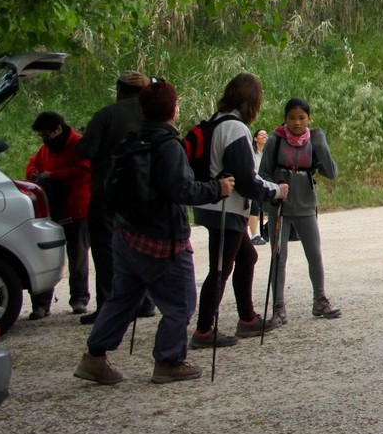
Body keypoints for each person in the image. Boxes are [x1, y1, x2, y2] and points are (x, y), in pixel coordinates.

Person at [74, 81, 233, 386]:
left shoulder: (132, 140)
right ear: (173, 109)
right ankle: (169, 361)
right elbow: (181, 190)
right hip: (163, 238)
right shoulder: (168, 145)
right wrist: (217, 188)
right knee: (181, 302)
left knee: (122, 299)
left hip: (126, 232)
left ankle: (94, 357)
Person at [191, 73, 288, 347]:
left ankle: (247, 318)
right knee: (220, 268)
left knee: (247, 257)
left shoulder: (214, 121)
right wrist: (275, 191)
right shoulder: (235, 128)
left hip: (210, 203)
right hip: (226, 207)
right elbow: (246, 179)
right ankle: (203, 330)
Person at [77, 70, 150, 325]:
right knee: (143, 245)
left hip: (108, 193)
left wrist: (85, 136)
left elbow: (86, 150)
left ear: (119, 90)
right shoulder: (151, 115)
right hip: (144, 193)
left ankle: (108, 305)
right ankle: (145, 302)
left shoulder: (106, 115)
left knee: (105, 248)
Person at [260, 97, 341, 322]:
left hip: (306, 204)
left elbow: (331, 172)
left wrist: (320, 142)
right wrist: (276, 188)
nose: (297, 123)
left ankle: (320, 299)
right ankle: (278, 306)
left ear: (309, 119)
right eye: (292, 118)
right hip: (279, 207)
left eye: (302, 118)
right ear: (285, 118)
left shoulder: (314, 140)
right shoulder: (275, 141)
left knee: (314, 254)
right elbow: (263, 173)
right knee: (279, 256)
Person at [25, 111, 90, 318]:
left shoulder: (78, 144)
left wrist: (54, 175)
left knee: (78, 257)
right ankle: (41, 304)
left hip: (77, 209)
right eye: (41, 135)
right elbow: (32, 163)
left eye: (46, 134)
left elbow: (85, 171)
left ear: (58, 129)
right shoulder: (46, 148)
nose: (43, 138)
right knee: (46, 256)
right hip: (52, 209)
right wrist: (35, 174)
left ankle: (79, 299)